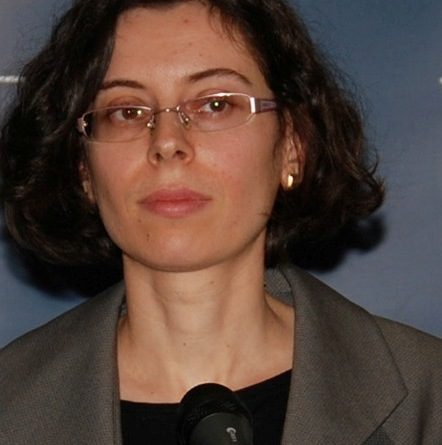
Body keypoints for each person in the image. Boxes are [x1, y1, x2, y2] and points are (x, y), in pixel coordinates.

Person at [0, 0, 441, 443]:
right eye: (127, 112)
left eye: (214, 105)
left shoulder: (427, 396)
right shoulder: (11, 406)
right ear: (84, 169)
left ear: (292, 145)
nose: (167, 143)